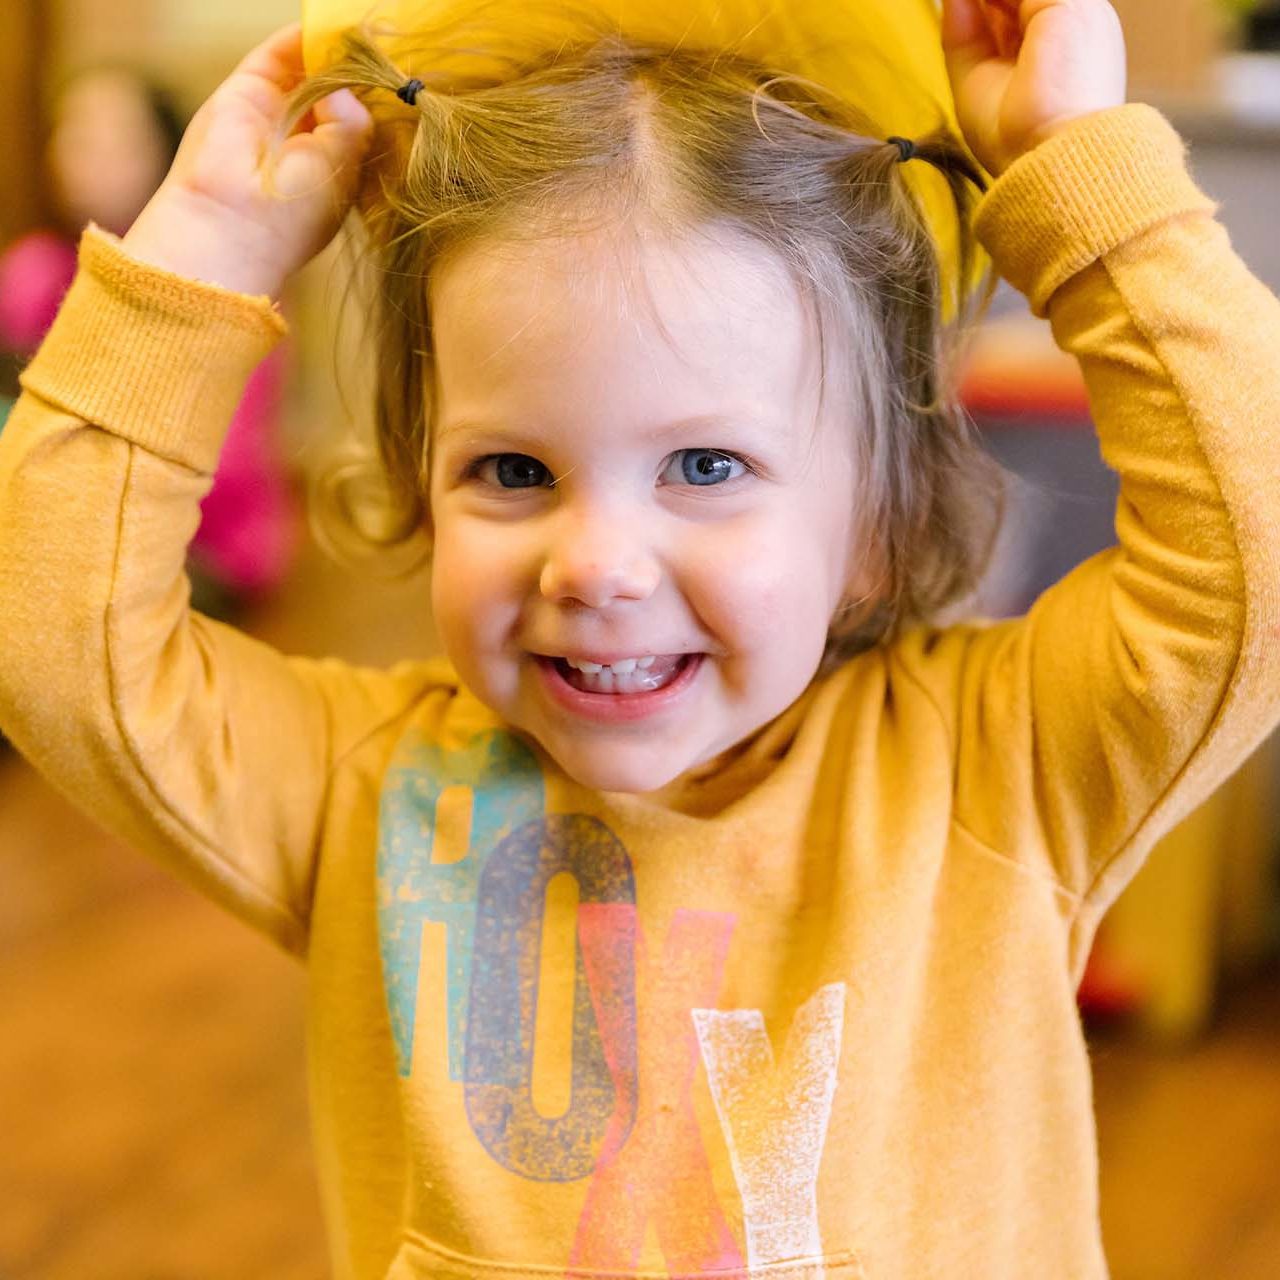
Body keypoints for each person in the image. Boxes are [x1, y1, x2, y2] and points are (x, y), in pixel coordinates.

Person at [1, 0, 1278, 1274]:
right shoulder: (367, 794)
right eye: (510, 467)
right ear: (414, 477)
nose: (595, 564)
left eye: (705, 464)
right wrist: (202, 258)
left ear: (875, 519)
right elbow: (48, 632)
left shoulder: (999, 767)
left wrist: (1079, 171)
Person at [0, 62, 300, 622]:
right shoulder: (31, 271)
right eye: (73, 133)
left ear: (165, 156)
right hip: (58, 520)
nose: (82, 155)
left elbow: (223, 464)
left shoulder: (220, 286)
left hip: (198, 544)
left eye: (112, 139)